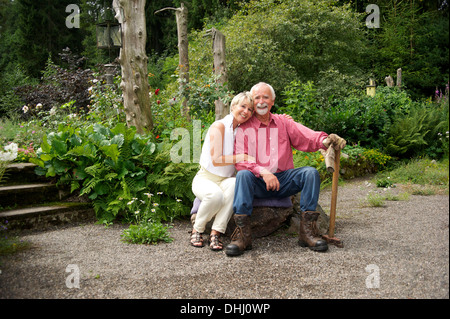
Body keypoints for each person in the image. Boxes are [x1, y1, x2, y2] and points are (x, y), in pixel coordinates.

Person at [225, 82, 346, 256]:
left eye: (265, 97)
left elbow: (306, 135)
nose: (261, 101)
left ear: (272, 101)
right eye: (257, 98)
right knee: (243, 174)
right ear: (252, 102)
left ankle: (307, 233)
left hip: (284, 181)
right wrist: (263, 172)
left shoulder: (283, 122)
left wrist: (324, 140)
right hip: (257, 182)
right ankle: (242, 236)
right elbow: (240, 160)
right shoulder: (244, 128)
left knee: (310, 173)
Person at [190, 92, 255, 251]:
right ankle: (197, 229)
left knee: (236, 184)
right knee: (216, 196)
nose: (246, 111)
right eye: (243, 106)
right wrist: (242, 157)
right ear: (233, 106)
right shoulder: (219, 126)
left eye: (250, 109)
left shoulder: (239, 130)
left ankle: (216, 232)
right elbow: (217, 159)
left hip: (225, 180)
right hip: (205, 179)